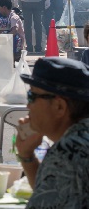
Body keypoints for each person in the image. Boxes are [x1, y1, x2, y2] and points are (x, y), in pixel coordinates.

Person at [15, 57, 89, 208]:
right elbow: (54, 195)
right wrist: (26, 155)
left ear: (59, 106)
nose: (28, 105)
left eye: (32, 96)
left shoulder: (68, 151)